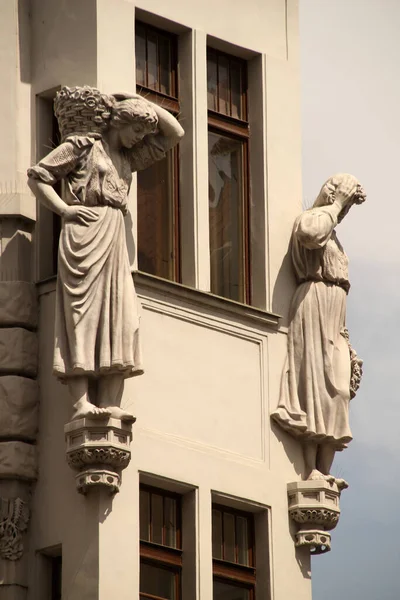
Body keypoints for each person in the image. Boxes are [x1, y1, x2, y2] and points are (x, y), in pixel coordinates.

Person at [28, 86, 184, 421]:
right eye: (136, 130)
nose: (139, 138)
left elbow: (174, 133)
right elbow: (39, 176)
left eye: (144, 132)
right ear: (117, 122)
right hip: (83, 234)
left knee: (121, 316)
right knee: (81, 315)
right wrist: (63, 210)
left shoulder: (129, 158)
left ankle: (111, 399)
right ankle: (81, 401)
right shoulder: (82, 146)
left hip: (114, 237)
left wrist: (137, 99)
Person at [271, 173, 365, 485]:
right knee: (313, 384)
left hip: (334, 318)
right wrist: (336, 204)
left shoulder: (334, 233)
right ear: (331, 194)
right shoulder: (311, 219)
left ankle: (325, 471)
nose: (345, 211)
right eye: (345, 202)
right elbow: (311, 234)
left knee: (338, 388)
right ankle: (311, 468)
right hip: (313, 306)